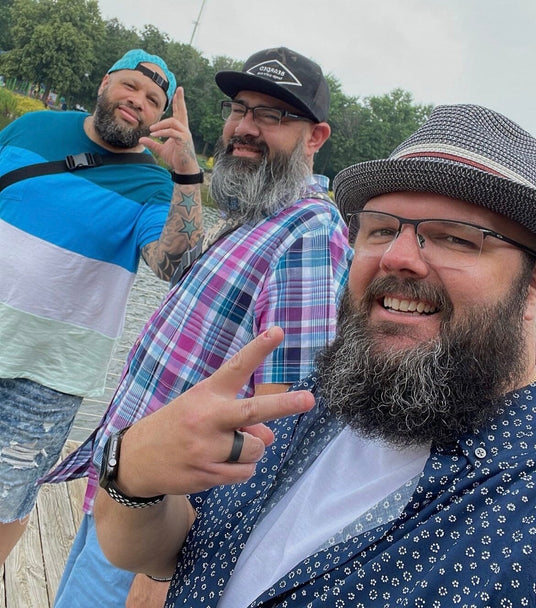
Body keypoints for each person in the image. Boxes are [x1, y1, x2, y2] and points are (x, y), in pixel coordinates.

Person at [93, 103, 536, 607]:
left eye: (455, 238)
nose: (397, 257)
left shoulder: (518, 507)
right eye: (381, 229)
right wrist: (131, 473)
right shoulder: (330, 392)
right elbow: (165, 557)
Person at [47, 47, 351, 607]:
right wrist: (187, 168)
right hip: (123, 494)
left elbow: (278, 420)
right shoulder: (259, 219)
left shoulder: (309, 229)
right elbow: (177, 272)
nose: (245, 128)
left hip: (161, 526)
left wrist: (162, 570)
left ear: (315, 137)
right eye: (239, 108)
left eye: (273, 116)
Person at [0, 48, 204, 563]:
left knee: (5, 501)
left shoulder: (154, 186)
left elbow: (175, 264)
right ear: (106, 80)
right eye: (131, 86)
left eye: (154, 100)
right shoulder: (32, 128)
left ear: (161, 118)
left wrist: (186, 175)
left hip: (49, 376)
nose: (137, 101)